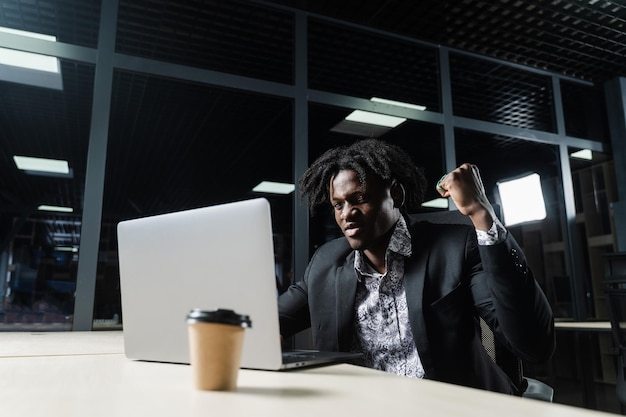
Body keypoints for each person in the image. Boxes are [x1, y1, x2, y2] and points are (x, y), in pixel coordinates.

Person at [277, 138, 555, 395]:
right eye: (338, 205)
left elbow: (533, 344)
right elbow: (270, 321)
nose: (347, 213)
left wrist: (483, 216)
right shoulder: (327, 262)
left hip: (449, 408)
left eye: (360, 199)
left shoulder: (454, 248)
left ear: (395, 195)